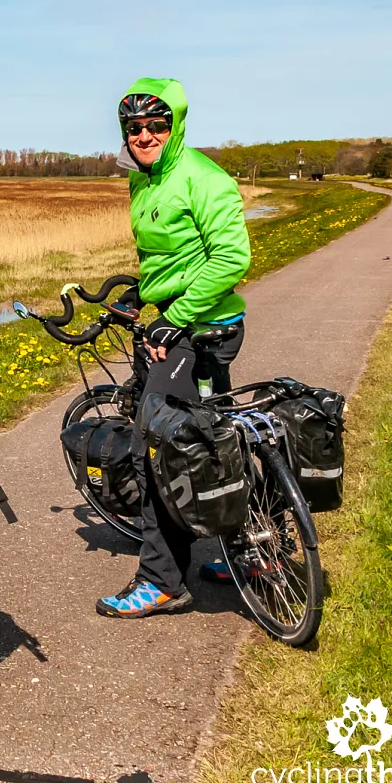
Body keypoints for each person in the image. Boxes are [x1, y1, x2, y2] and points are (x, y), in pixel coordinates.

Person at [96, 78, 251, 619]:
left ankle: (161, 581)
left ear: (176, 125)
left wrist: (174, 319)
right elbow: (172, 255)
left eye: (157, 125)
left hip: (199, 326)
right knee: (213, 442)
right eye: (134, 127)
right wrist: (143, 295)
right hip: (174, 320)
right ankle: (251, 554)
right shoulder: (144, 180)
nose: (145, 134)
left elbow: (230, 260)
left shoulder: (203, 179)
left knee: (155, 449)